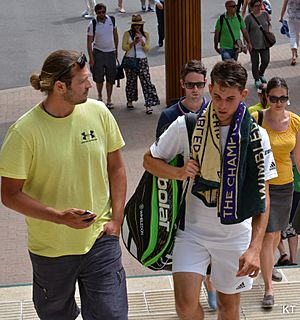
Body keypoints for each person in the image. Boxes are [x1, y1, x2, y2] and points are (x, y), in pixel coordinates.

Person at [144, 60, 277, 320]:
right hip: (192, 232)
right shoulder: (188, 125)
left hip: (235, 235)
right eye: (216, 96)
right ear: (209, 88)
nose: (222, 105)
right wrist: (179, 173)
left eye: (230, 98)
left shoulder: (257, 135)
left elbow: (263, 196)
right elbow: (149, 161)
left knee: (228, 308)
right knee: (184, 306)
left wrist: (254, 248)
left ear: (243, 95)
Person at [0, 49, 128, 319]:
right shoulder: (24, 133)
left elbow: (116, 167)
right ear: (60, 87)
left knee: (112, 316)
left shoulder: (99, 113)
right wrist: (59, 217)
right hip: (51, 251)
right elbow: (10, 194)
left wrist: (117, 219)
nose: (90, 84)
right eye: (82, 80)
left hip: (100, 240)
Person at [155, 60, 217, 311]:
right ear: (182, 84)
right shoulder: (170, 116)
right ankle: (197, 285)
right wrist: (178, 171)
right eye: (190, 84)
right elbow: (158, 155)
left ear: (206, 85)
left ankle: (210, 284)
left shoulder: (215, 110)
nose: (194, 89)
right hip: (178, 193)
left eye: (199, 85)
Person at [252, 76, 300, 308]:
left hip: (286, 185)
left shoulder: (296, 122)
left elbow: (298, 158)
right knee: (268, 234)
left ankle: (266, 267)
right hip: (263, 185)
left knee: (277, 234)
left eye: (283, 98)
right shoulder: (256, 119)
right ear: (266, 98)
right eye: (274, 98)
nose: (279, 102)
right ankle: (269, 288)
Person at [122, 14, 160, 114]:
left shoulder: (146, 34)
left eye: (139, 25)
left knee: (146, 82)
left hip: (142, 60)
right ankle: (130, 100)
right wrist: (133, 43)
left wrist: (142, 42)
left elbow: (147, 49)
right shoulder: (127, 34)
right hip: (130, 59)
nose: (137, 27)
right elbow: (124, 47)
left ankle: (149, 104)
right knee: (131, 81)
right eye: (135, 25)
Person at [87, 3, 118, 109]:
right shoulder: (93, 24)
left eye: (103, 12)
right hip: (98, 53)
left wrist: (116, 50)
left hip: (110, 52)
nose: (101, 14)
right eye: (99, 12)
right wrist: (91, 58)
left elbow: (115, 35)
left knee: (111, 77)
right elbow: (89, 42)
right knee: (99, 77)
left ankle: (109, 99)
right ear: (96, 13)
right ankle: (100, 97)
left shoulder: (111, 20)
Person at [245, 0, 272, 89]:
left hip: (264, 43)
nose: (258, 7)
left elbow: (269, 24)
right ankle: (257, 79)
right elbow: (246, 32)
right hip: (253, 44)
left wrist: (270, 32)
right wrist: (247, 43)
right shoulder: (248, 18)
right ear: (252, 7)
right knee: (255, 62)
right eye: (256, 6)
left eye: (259, 5)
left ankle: (260, 74)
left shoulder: (265, 14)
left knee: (266, 60)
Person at [280, 0, 300, 66]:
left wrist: (281, 17)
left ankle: (294, 55)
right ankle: (296, 51)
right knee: (297, 35)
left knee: (293, 35)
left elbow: (284, 7)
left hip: (291, 18)